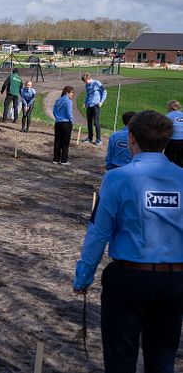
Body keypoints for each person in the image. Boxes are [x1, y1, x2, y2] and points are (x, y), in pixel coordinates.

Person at [73, 110, 183, 373]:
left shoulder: (117, 178)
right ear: (167, 140)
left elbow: (99, 232)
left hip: (129, 280)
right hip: (173, 281)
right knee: (161, 361)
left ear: (131, 138)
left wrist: (83, 276)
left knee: (121, 360)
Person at [81, 73, 107, 145]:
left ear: (88, 79)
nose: (85, 83)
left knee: (96, 122)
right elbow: (88, 94)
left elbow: (104, 92)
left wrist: (101, 102)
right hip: (89, 105)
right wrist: (85, 103)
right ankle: (90, 138)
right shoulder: (87, 85)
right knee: (89, 123)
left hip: (96, 105)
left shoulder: (97, 83)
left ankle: (98, 139)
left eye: (85, 81)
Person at [52, 86, 75, 165]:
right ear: (67, 92)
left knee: (57, 141)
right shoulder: (68, 101)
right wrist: (72, 121)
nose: (72, 95)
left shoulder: (58, 101)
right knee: (65, 142)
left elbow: (54, 111)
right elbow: (69, 113)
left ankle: (56, 159)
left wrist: (57, 118)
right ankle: (64, 160)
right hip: (66, 123)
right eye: (72, 93)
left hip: (58, 123)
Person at [165, 99, 183, 167]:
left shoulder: (169, 116)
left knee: (169, 159)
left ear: (170, 107)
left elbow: (165, 129)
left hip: (173, 142)